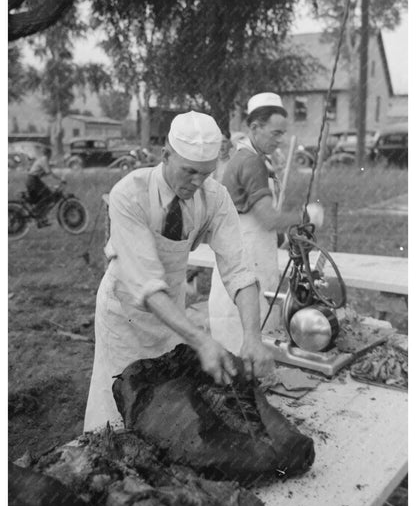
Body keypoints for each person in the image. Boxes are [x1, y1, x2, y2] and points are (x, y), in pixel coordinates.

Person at [84, 110, 274, 433]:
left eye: (206, 173)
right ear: (165, 155)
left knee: (162, 408)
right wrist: (200, 339)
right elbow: (145, 284)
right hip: (124, 315)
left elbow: (239, 270)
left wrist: (253, 336)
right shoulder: (129, 195)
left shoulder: (215, 198)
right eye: (189, 172)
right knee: (116, 411)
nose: (197, 183)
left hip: (173, 314)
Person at [208, 92, 322, 354]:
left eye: (283, 134)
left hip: (245, 258)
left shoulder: (247, 159)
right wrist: (307, 216)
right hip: (246, 264)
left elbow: (253, 219)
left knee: (243, 341)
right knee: (245, 340)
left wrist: (283, 239)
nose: (280, 140)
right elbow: (268, 218)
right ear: (255, 127)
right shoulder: (251, 163)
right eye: (275, 133)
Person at [26, 145, 61, 227]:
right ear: (49, 153)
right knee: (49, 197)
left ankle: (40, 219)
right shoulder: (44, 159)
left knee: (45, 198)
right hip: (33, 180)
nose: (51, 156)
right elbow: (49, 173)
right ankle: (37, 213)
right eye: (51, 154)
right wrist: (60, 179)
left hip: (32, 180)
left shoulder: (42, 159)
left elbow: (41, 174)